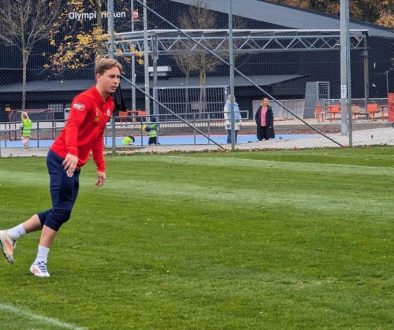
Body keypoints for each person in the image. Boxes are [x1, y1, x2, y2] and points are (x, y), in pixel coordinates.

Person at [0, 57, 122, 277]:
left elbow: (97, 136)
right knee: (62, 210)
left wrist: (100, 166)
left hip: (73, 162)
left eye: (118, 77)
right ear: (99, 77)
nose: (116, 81)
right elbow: (72, 126)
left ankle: (11, 234)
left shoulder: (109, 105)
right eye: (111, 76)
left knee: (62, 212)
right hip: (61, 158)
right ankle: (39, 263)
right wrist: (72, 153)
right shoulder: (84, 99)